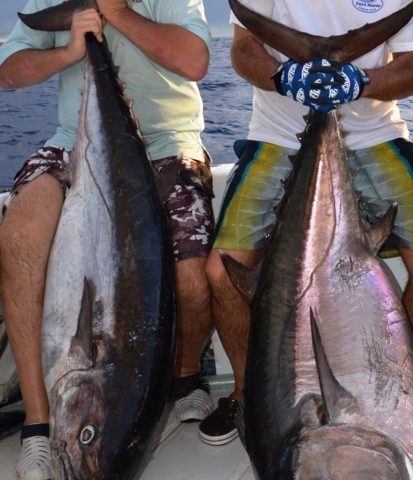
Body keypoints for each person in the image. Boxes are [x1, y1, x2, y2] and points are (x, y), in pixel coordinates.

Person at [199, 0, 413, 446]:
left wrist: (359, 80)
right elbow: (245, 50)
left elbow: (412, 71)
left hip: (377, 134)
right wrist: (284, 77)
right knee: (221, 271)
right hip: (277, 135)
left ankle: (406, 388)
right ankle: (250, 392)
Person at [0, 0, 216, 478]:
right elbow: (8, 73)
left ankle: (182, 375)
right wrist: (70, 50)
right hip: (73, 139)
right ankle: (39, 420)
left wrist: (116, 12)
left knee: (192, 277)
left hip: (168, 142)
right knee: (19, 237)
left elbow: (196, 61)